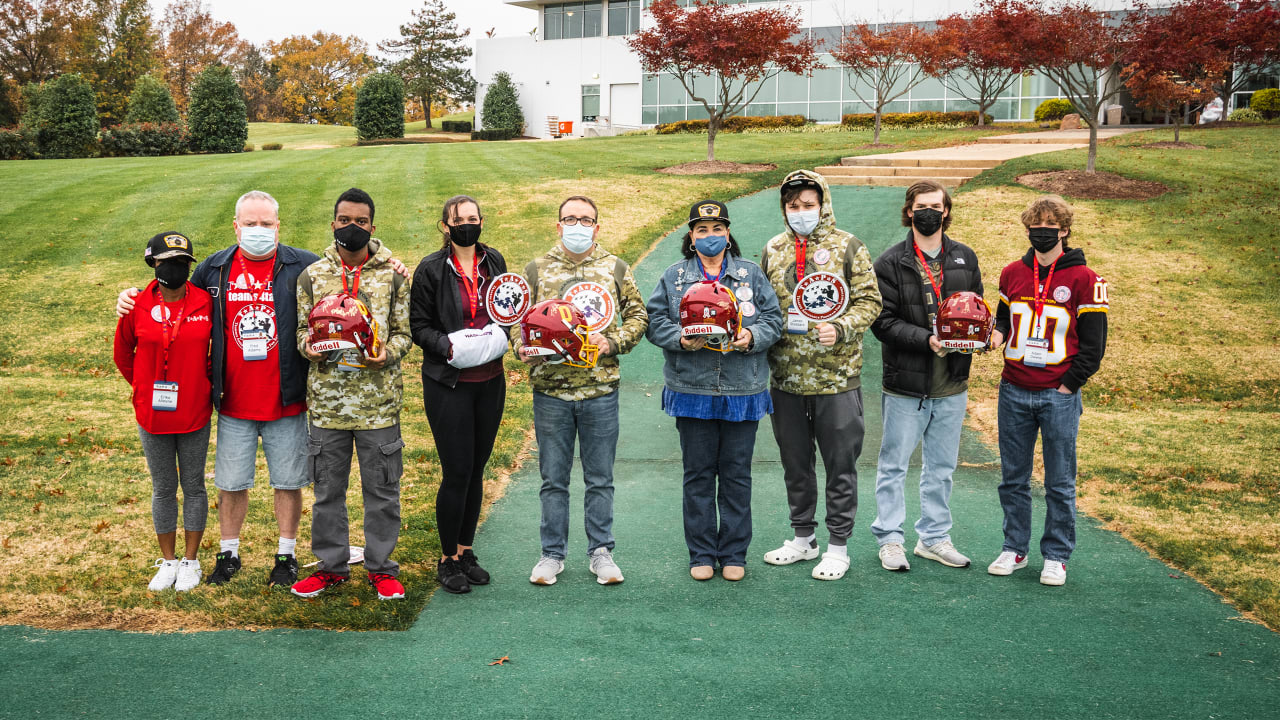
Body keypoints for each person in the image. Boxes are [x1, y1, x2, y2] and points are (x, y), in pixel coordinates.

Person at [117, 191, 319, 589]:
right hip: (233, 400)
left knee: (288, 481)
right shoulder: (214, 268)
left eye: (265, 224)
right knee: (230, 483)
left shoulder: (305, 266)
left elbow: (348, 277)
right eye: (250, 223)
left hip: (286, 396)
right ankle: (229, 553)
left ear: (278, 226)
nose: (257, 230)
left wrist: (390, 260)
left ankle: (286, 555)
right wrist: (131, 297)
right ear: (235, 225)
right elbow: (173, 295)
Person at [646, 200, 783, 581]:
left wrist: (751, 336)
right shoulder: (674, 277)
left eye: (717, 229)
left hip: (743, 389)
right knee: (699, 474)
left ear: (728, 234)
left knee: (737, 474)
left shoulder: (750, 275)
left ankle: (735, 553)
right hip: (692, 388)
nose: (710, 236)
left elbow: (773, 320)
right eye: (701, 230)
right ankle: (702, 554)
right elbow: (654, 321)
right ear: (691, 238)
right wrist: (680, 339)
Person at [516, 196, 649, 586]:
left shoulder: (615, 268)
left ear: (597, 226)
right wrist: (520, 347)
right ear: (558, 226)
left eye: (585, 219)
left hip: (600, 389)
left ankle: (601, 552)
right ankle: (551, 555)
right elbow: (516, 321)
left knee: (600, 477)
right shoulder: (536, 269)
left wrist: (614, 342)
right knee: (553, 478)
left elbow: (638, 315)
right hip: (551, 391)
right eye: (570, 218)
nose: (578, 224)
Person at [290, 188, 414, 600]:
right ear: (333, 223)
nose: (352, 228)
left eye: (361, 222)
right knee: (327, 491)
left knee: (382, 491)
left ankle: (382, 567)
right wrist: (312, 347)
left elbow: (403, 333)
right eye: (345, 220)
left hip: (378, 404)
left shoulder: (392, 274)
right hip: (327, 403)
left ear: (372, 227)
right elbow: (302, 332)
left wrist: (387, 354)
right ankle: (331, 567)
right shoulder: (312, 275)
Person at [759, 171, 883, 582]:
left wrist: (843, 327)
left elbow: (870, 301)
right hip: (787, 381)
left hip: (836, 379)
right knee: (796, 465)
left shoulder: (848, 246)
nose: (801, 213)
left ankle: (838, 546)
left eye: (808, 205)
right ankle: (802, 537)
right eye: (793, 207)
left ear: (823, 204)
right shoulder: (773, 249)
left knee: (839, 465)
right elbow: (762, 308)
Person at [987, 194, 1108, 587]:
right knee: (1013, 477)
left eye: (1049, 229)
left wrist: (1068, 386)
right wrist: (997, 336)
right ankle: (1014, 547)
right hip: (1014, 388)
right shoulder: (1011, 272)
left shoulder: (1086, 279)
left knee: (1059, 480)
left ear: (1065, 230)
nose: (1041, 235)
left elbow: (1094, 346)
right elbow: (1004, 318)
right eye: (1034, 228)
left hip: (1058, 393)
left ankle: (1056, 555)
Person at [869, 181, 985, 572]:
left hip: (952, 383)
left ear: (947, 211)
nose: (929, 212)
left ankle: (934, 537)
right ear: (909, 211)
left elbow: (980, 309)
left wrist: (985, 335)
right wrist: (926, 340)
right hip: (906, 384)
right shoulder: (889, 262)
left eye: (936, 205)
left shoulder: (965, 258)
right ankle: (890, 539)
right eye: (922, 206)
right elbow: (881, 322)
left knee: (941, 468)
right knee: (894, 465)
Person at [410, 195, 510, 594]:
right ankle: (447, 557)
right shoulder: (432, 269)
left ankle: (467, 552)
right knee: (457, 471)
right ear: (445, 226)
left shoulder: (495, 261)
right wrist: (449, 346)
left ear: (482, 221)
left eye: (473, 218)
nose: (466, 225)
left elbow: (508, 306)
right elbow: (419, 326)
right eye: (458, 220)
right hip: (448, 383)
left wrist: (502, 335)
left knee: (477, 469)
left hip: (490, 381)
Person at [113, 231, 214, 592]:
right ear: (153, 263)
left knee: (193, 485)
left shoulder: (205, 302)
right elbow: (123, 353)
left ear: (189, 266)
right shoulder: (136, 305)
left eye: (182, 262)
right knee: (163, 487)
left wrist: (204, 385)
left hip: (194, 411)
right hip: (152, 413)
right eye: (167, 262)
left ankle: (191, 561)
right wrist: (142, 387)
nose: (174, 268)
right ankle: (168, 562)